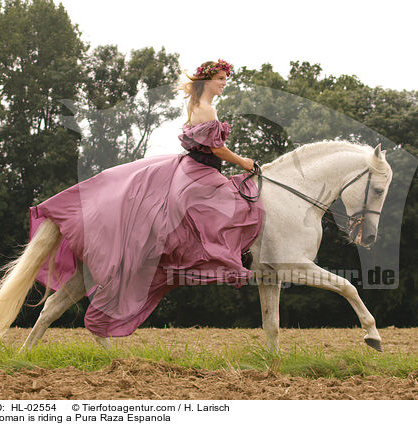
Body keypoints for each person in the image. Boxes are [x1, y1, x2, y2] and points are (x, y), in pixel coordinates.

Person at [28, 59, 263, 338]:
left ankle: (228, 254)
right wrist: (244, 163)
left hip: (192, 168)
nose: (225, 83)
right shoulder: (207, 109)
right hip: (199, 173)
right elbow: (218, 150)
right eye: (221, 78)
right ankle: (232, 255)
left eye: (226, 78)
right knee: (234, 203)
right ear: (207, 81)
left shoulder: (197, 106)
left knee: (226, 201)